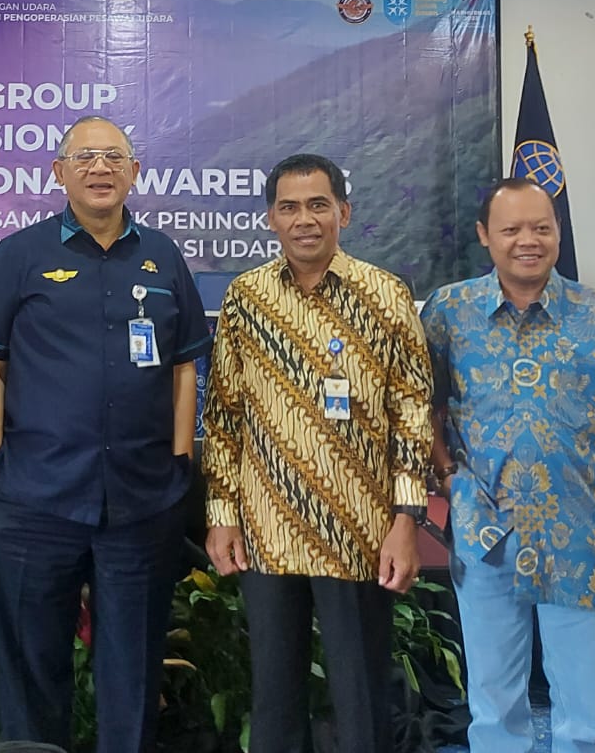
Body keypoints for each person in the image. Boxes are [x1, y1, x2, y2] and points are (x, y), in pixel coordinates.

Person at [0, 115, 209, 753]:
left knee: (133, 669)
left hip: (142, 499)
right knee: (31, 669)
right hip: (32, 498)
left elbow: (184, 367)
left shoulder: (163, 255)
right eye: (84, 157)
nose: (100, 168)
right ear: (59, 172)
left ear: (135, 171)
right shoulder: (21, 254)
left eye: (113, 157)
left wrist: (180, 461)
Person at [201, 153, 433, 753]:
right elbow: (224, 414)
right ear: (271, 219)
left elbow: (412, 413)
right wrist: (222, 514)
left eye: (318, 205)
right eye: (289, 207)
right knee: (274, 697)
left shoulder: (385, 295)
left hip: (358, 527)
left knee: (360, 699)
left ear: (344, 213)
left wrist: (406, 520)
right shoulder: (246, 298)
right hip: (267, 526)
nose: (304, 220)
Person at [422, 178, 595, 753]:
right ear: (484, 235)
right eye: (512, 229)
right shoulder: (450, 311)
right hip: (485, 532)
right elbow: (422, 404)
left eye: (541, 228)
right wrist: (448, 474)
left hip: (581, 536)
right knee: (493, 709)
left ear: (558, 231)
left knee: (585, 716)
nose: (528, 240)